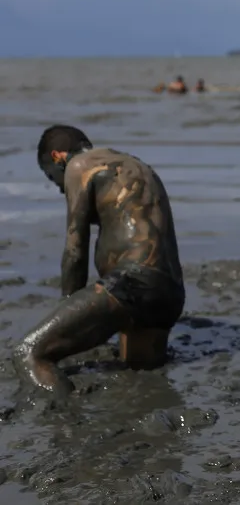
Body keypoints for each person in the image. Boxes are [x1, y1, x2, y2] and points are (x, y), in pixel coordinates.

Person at [14, 125, 186, 395]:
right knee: (140, 378)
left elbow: (75, 250)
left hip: (131, 284)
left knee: (28, 354)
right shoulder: (136, 164)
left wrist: (68, 313)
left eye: (53, 179)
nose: (61, 190)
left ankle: (62, 423)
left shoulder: (79, 166)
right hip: (169, 294)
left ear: (58, 157)